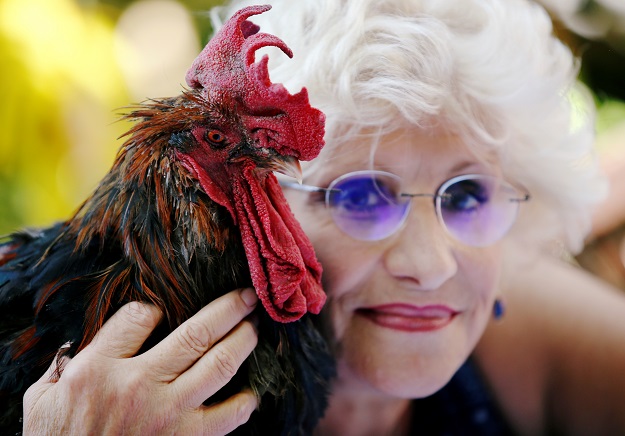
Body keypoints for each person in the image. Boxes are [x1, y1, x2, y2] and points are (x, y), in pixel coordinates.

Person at [22, 0, 625, 434]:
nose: (429, 263)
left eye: (466, 197)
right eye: (360, 196)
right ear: (257, 211)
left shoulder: (522, 317)